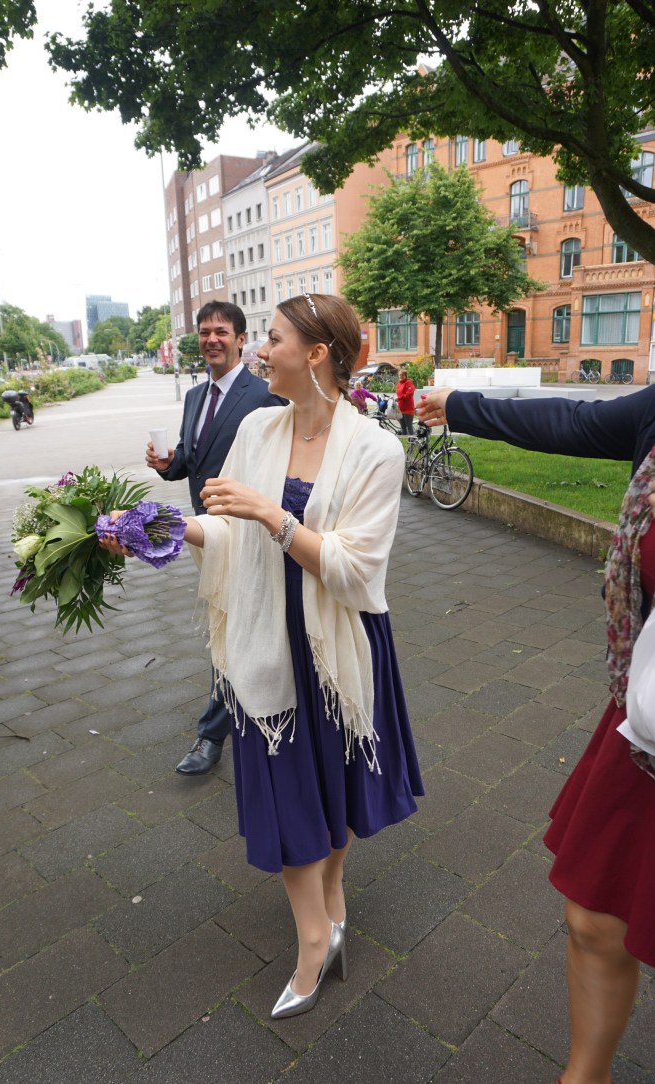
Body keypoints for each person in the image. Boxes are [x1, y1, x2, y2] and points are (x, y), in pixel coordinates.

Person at [104, 293, 423, 1018]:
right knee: (284, 796)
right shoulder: (256, 427)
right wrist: (148, 527)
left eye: (272, 339)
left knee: (332, 786)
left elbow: (353, 571)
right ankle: (317, 935)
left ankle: (326, 916)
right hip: (266, 640)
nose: (258, 351)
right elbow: (227, 535)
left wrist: (272, 516)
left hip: (335, 643)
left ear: (316, 353)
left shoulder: (376, 449)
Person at [416, 384, 655, 1084]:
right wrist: (459, 405)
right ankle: (585, 1076)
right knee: (593, 918)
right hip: (647, 726)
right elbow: (569, 420)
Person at [146, 300, 283, 775]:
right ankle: (265, 712)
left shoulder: (265, 395)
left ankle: (212, 735)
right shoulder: (193, 398)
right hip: (206, 535)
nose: (211, 340)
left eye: (221, 332)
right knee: (235, 627)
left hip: (251, 535)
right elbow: (190, 460)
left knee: (231, 629)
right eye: (204, 332)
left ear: (241, 339)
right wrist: (169, 465)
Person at [396, 367, 416, 436]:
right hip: (400, 409)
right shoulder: (398, 384)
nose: (401, 376)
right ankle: (404, 440)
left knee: (409, 427)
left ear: (406, 376)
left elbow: (409, 394)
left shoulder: (408, 383)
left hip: (408, 409)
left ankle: (412, 442)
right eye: (400, 375)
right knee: (403, 427)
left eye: (402, 375)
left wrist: (399, 398)